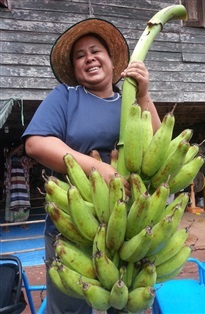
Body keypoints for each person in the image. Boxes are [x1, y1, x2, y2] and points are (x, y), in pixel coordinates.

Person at [22, 18, 161, 314]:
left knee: (125, 303)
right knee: (69, 305)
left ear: (112, 61)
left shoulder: (131, 103)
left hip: (130, 224)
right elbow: (36, 143)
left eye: (95, 51)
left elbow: (158, 148)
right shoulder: (66, 97)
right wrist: (98, 170)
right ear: (74, 69)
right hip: (76, 220)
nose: (89, 58)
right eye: (80, 56)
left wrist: (144, 94)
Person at [3, 144, 34, 231]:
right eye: (18, 149)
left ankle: (22, 223)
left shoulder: (24, 159)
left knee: (24, 206)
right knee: (9, 205)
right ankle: (6, 224)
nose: (20, 151)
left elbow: (33, 162)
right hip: (12, 186)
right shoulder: (10, 158)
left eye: (21, 150)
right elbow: (9, 154)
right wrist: (20, 145)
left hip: (24, 186)